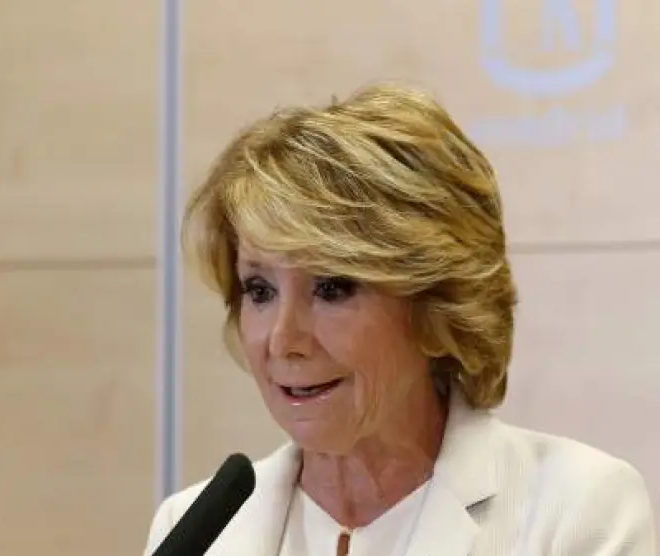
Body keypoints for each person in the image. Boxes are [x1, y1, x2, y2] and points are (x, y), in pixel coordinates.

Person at [142, 83, 656, 556]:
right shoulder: (191, 530)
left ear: (436, 306)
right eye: (260, 290)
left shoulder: (578, 511)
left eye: (331, 287)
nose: (282, 339)